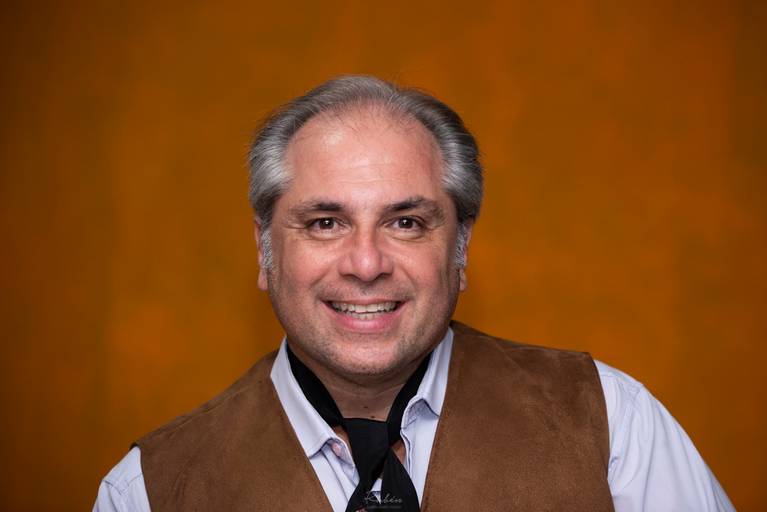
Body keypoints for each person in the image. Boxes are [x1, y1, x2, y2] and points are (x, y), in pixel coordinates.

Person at [94, 76, 734, 511]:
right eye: (325, 222)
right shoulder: (147, 492)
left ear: (460, 250)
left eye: (405, 222)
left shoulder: (613, 426)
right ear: (265, 248)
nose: (366, 264)